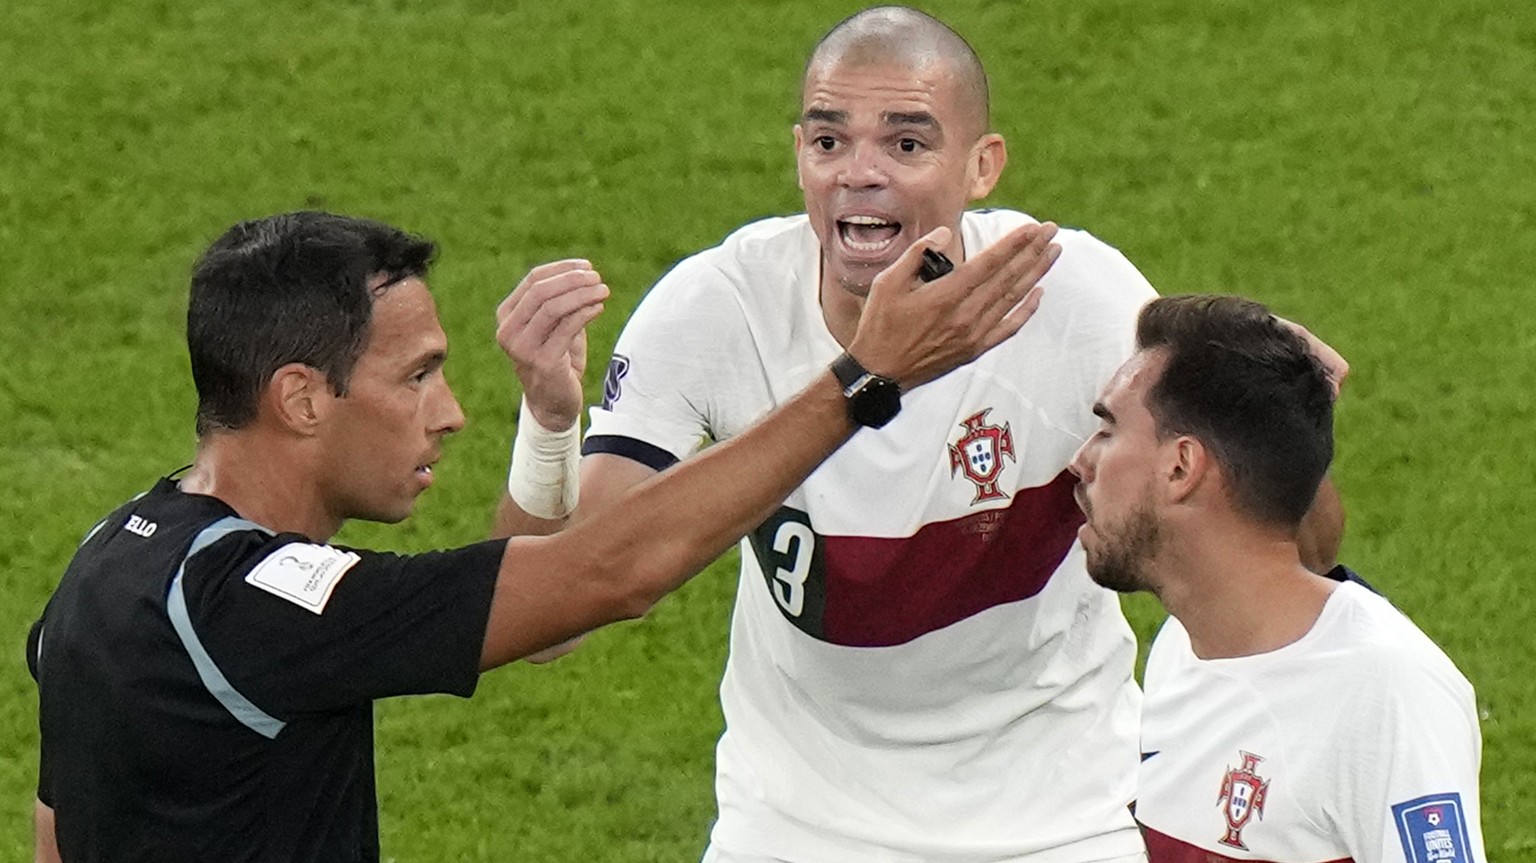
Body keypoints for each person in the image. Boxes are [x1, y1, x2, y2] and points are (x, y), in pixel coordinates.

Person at [499, 7, 1342, 863]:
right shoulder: (720, 310)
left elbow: (1285, 550)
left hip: (1062, 821)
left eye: (906, 145)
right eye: (830, 143)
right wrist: (550, 425)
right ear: (799, 154)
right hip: (792, 828)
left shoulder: (1075, 300)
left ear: (983, 167)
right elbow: (556, 616)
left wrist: (1281, 414)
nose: (859, 174)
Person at [26, 209, 1060, 862]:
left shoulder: (112, 557)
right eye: (417, 374)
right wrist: (864, 380)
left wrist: (556, 424)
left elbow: (57, 832)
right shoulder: (259, 611)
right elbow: (605, 574)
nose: (448, 412)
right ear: (302, 396)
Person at [1068, 295, 1484, 863]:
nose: (1080, 461)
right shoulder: (1187, 648)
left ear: (1181, 467)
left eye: (1108, 432)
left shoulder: (1386, 693)